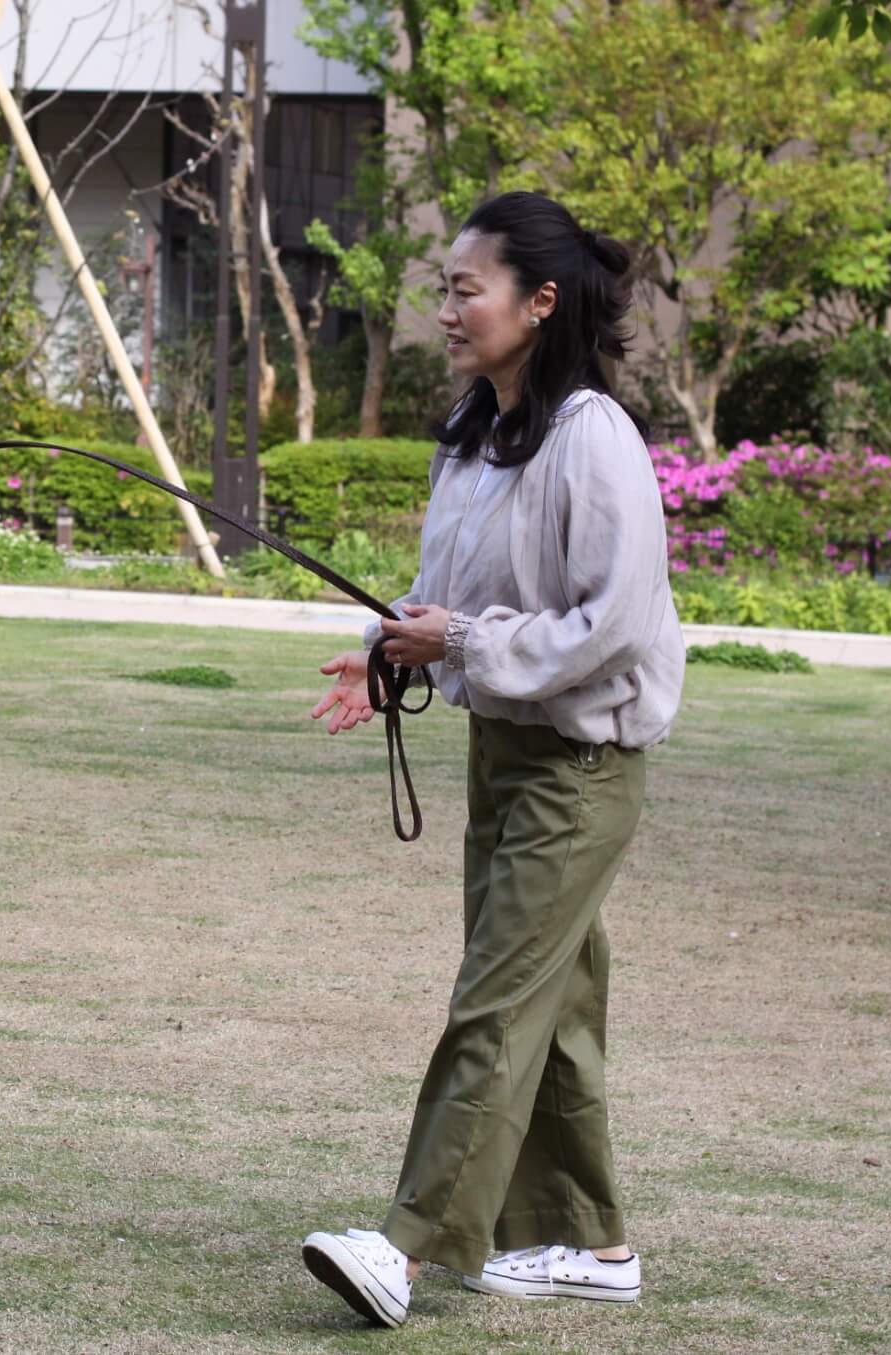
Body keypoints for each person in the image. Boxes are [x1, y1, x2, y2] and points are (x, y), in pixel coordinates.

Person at [299, 191, 685, 1328]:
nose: (448, 308)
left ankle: (406, 1246)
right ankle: (593, 1243)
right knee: (551, 1005)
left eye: (466, 288)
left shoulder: (592, 437)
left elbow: (609, 622)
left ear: (540, 300)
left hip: (580, 766)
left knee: (495, 1003)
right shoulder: (474, 432)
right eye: (446, 289)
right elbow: (464, 603)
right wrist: (392, 650)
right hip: (500, 752)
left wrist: (458, 641)